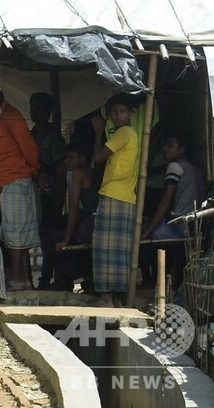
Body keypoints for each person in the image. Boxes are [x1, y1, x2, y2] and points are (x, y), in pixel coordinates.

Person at [141, 130, 203, 301]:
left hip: (178, 224)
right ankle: (168, 286)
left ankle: (151, 282)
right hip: (194, 225)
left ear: (182, 149)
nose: (165, 149)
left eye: (170, 146)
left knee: (146, 239)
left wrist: (147, 232)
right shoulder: (194, 169)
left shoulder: (174, 167)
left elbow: (166, 201)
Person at [0, 91, 41, 290]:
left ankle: (19, 278)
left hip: (16, 178)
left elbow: (29, 148)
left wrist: (34, 168)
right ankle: (23, 278)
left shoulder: (12, 117)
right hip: (7, 178)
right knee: (13, 230)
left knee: (16, 232)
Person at [92, 93, 139, 308]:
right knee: (120, 251)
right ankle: (117, 299)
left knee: (103, 249)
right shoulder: (132, 133)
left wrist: (98, 132)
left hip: (113, 195)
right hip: (127, 197)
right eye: (115, 112)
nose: (118, 115)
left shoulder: (124, 133)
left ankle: (105, 297)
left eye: (122, 111)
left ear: (130, 114)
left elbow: (98, 158)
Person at [42, 141, 98, 290]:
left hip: (88, 226)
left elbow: (73, 207)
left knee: (49, 240)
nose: (66, 161)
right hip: (93, 223)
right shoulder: (92, 171)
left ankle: (70, 277)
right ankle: (81, 276)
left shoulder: (78, 173)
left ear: (82, 158)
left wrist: (66, 239)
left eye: (70, 157)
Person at [29, 92, 66, 288]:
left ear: (49, 111)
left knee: (48, 236)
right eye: (32, 107)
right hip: (33, 189)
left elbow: (59, 167)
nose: (35, 111)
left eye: (40, 107)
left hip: (50, 191)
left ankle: (48, 277)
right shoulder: (31, 134)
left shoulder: (54, 137)